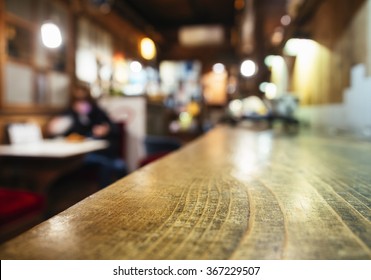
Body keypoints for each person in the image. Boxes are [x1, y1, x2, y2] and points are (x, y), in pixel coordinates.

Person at [48, 84, 127, 188]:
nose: (81, 103)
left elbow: (113, 128)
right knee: (105, 164)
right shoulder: (69, 114)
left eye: (84, 99)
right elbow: (57, 131)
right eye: (78, 99)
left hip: (103, 152)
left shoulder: (97, 112)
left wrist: (106, 129)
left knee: (120, 166)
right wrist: (54, 127)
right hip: (81, 155)